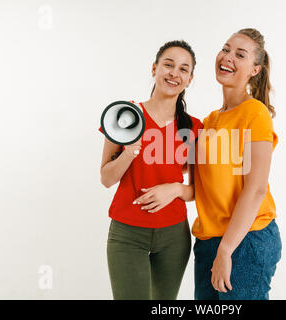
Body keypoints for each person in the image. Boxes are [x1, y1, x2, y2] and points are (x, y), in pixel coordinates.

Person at [98, 40, 203, 300]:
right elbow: (106, 178)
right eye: (168, 65)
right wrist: (131, 150)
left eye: (183, 69)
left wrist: (175, 188)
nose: (174, 73)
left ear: (189, 79)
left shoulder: (192, 127)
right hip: (127, 233)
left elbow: (200, 189)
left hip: (174, 236)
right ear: (154, 68)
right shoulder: (125, 115)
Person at [192, 28, 282, 300]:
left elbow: (255, 189)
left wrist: (226, 249)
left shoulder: (255, 113)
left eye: (239, 55)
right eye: (226, 48)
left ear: (255, 70)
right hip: (209, 240)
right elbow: (200, 184)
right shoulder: (210, 120)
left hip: (245, 240)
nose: (227, 57)